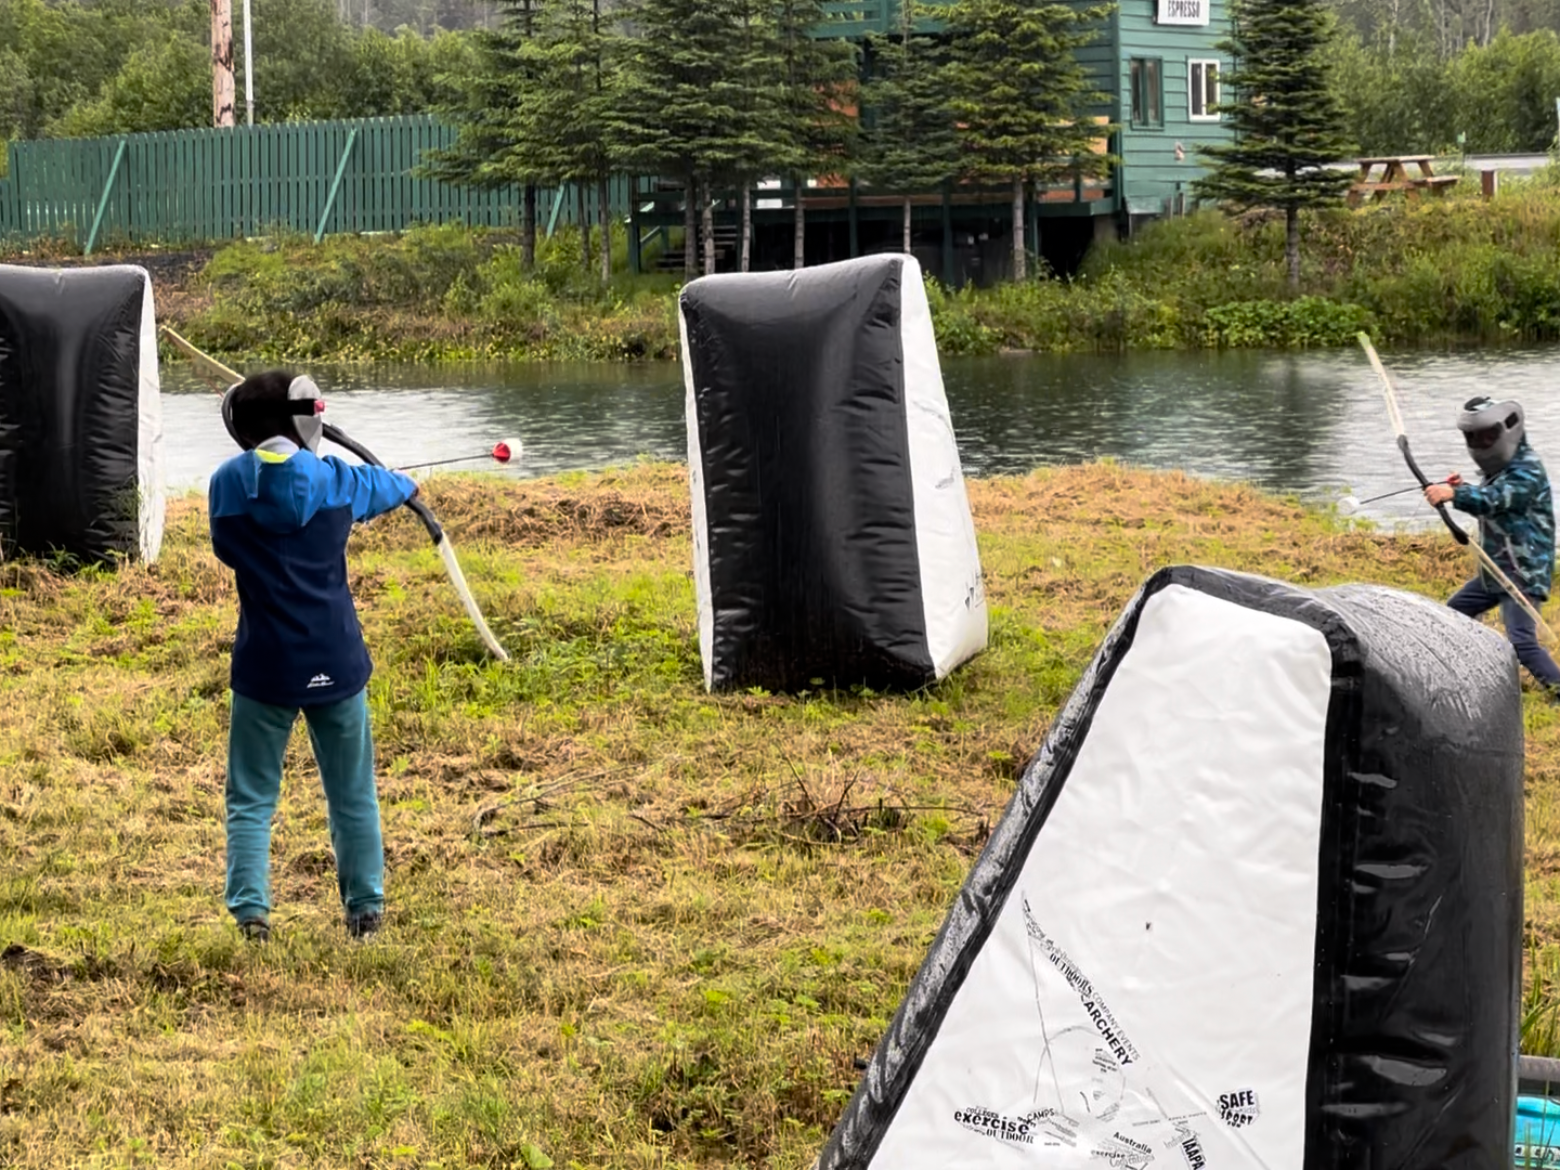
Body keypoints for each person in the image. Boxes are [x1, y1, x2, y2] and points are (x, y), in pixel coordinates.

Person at [208, 371, 419, 942]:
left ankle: (251, 917)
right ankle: (365, 912)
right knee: (352, 792)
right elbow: (385, 487)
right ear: (305, 422)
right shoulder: (335, 479)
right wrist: (403, 483)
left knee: (251, 797)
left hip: (264, 665)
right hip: (337, 660)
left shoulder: (226, 483)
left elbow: (228, 547)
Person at [1424, 395, 1559, 695]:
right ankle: (1472, 673)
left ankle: (1558, 688)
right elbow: (1490, 495)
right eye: (1475, 437)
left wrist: (1452, 496)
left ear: (1509, 430)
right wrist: (1461, 489)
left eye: (1489, 436)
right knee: (1454, 613)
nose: (1482, 443)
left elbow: (1496, 499)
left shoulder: (1528, 470)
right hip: (1497, 569)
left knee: (1522, 641)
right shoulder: (1503, 470)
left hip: (1522, 571)